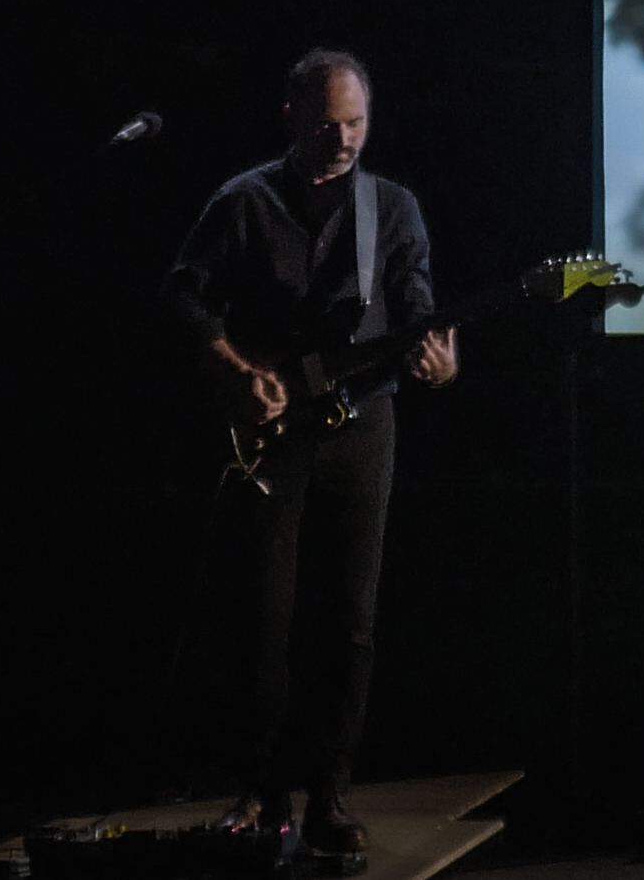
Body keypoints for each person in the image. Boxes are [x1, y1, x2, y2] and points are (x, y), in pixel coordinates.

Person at [163, 49, 458, 852]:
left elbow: (418, 313)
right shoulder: (243, 203)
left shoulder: (392, 207)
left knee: (349, 624)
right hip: (271, 431)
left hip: (363, 428)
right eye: (328, 122)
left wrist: (439, 361)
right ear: (290, 115)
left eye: (357, 121)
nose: (344, 137)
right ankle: (259, 792)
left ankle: (330, 794)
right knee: (263, 619)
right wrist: (234, 370)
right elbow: (184, 294)